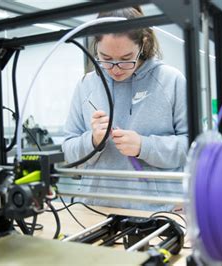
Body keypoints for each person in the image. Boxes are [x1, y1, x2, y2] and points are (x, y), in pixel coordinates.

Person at [62, 7, 188, 211]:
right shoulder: (86, 85)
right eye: (106, 58)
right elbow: (68, 150)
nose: (116, 69)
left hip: (154, 210)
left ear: (143, 44)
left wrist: (143, 146)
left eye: (126, 58)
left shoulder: (171, 80)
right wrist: (93, 141)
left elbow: (191, 146)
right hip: (95, 208)